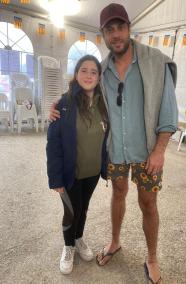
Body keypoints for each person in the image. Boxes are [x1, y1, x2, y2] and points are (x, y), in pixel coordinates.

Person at [49, 3, 178, 283]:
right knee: (117, 194)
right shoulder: (103, 68)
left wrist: (160, 150)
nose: (116, 34)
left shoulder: (156, 61)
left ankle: (152, 257)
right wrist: (58, 104)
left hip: (147, 151)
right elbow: (82, 89)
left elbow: (168, 110)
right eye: (110, 29)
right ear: (103, 34)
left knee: (149, 203)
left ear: (129, 29)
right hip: (115, 151)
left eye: (120, 27)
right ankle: (115, 241)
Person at [46, 55, 108, 275]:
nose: (88, 75)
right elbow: (53, 145)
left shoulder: (104, 103)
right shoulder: (63, 103)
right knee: (71, 211)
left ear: (99, 76)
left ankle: (79, 239)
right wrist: (55, 179)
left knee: (83, 208)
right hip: (69, 173)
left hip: (92, 171)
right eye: (84, 70)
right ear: (76, 74)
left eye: (93, 71)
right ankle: (68, 246)